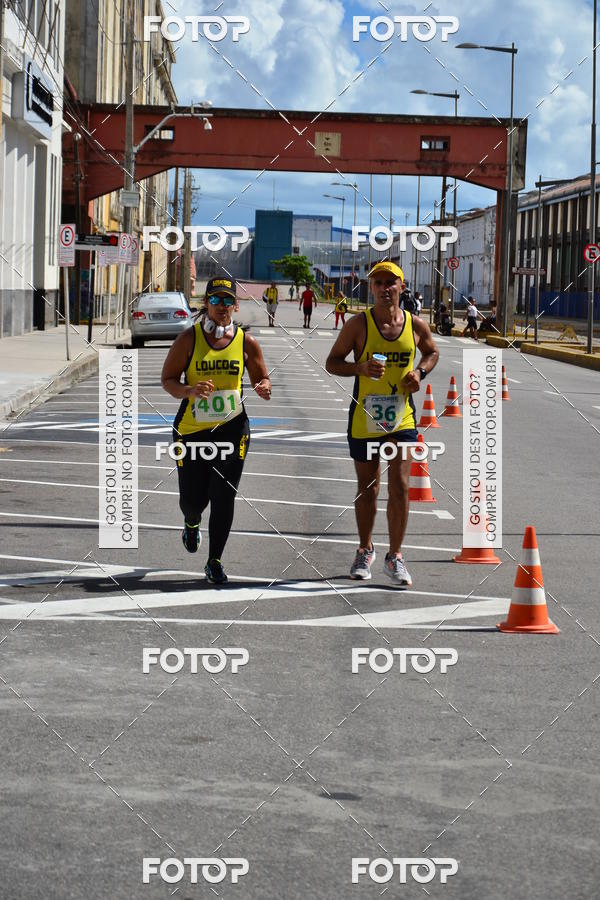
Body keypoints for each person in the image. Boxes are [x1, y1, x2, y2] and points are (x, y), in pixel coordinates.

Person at [326, 261, 439, 586]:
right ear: (371, 288)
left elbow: (432, 352)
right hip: (365, 418)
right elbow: (332, 362)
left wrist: (420, 372)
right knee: (368, 487)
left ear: (402, 287)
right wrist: (359, 368)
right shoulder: (358, 325)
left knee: (401, 485)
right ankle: (365, 549)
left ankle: (395, 556)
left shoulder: (415, 325)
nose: (385, 288)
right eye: (378, 282)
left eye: (391, 282)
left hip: (402, 418)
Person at [161, 275, 272, 584]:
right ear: (206, 304)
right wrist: (189, 390)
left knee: (224, 495)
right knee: (193, 501)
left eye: (227, 300)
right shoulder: (189, 339)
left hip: (232, 430)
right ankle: (191, 521)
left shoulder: (246, 342)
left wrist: (264, 386)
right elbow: (168, 379)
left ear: (235, 306)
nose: (221, 306)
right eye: (215, 300)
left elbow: (262, 378)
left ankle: (214, 560)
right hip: (191, 431)